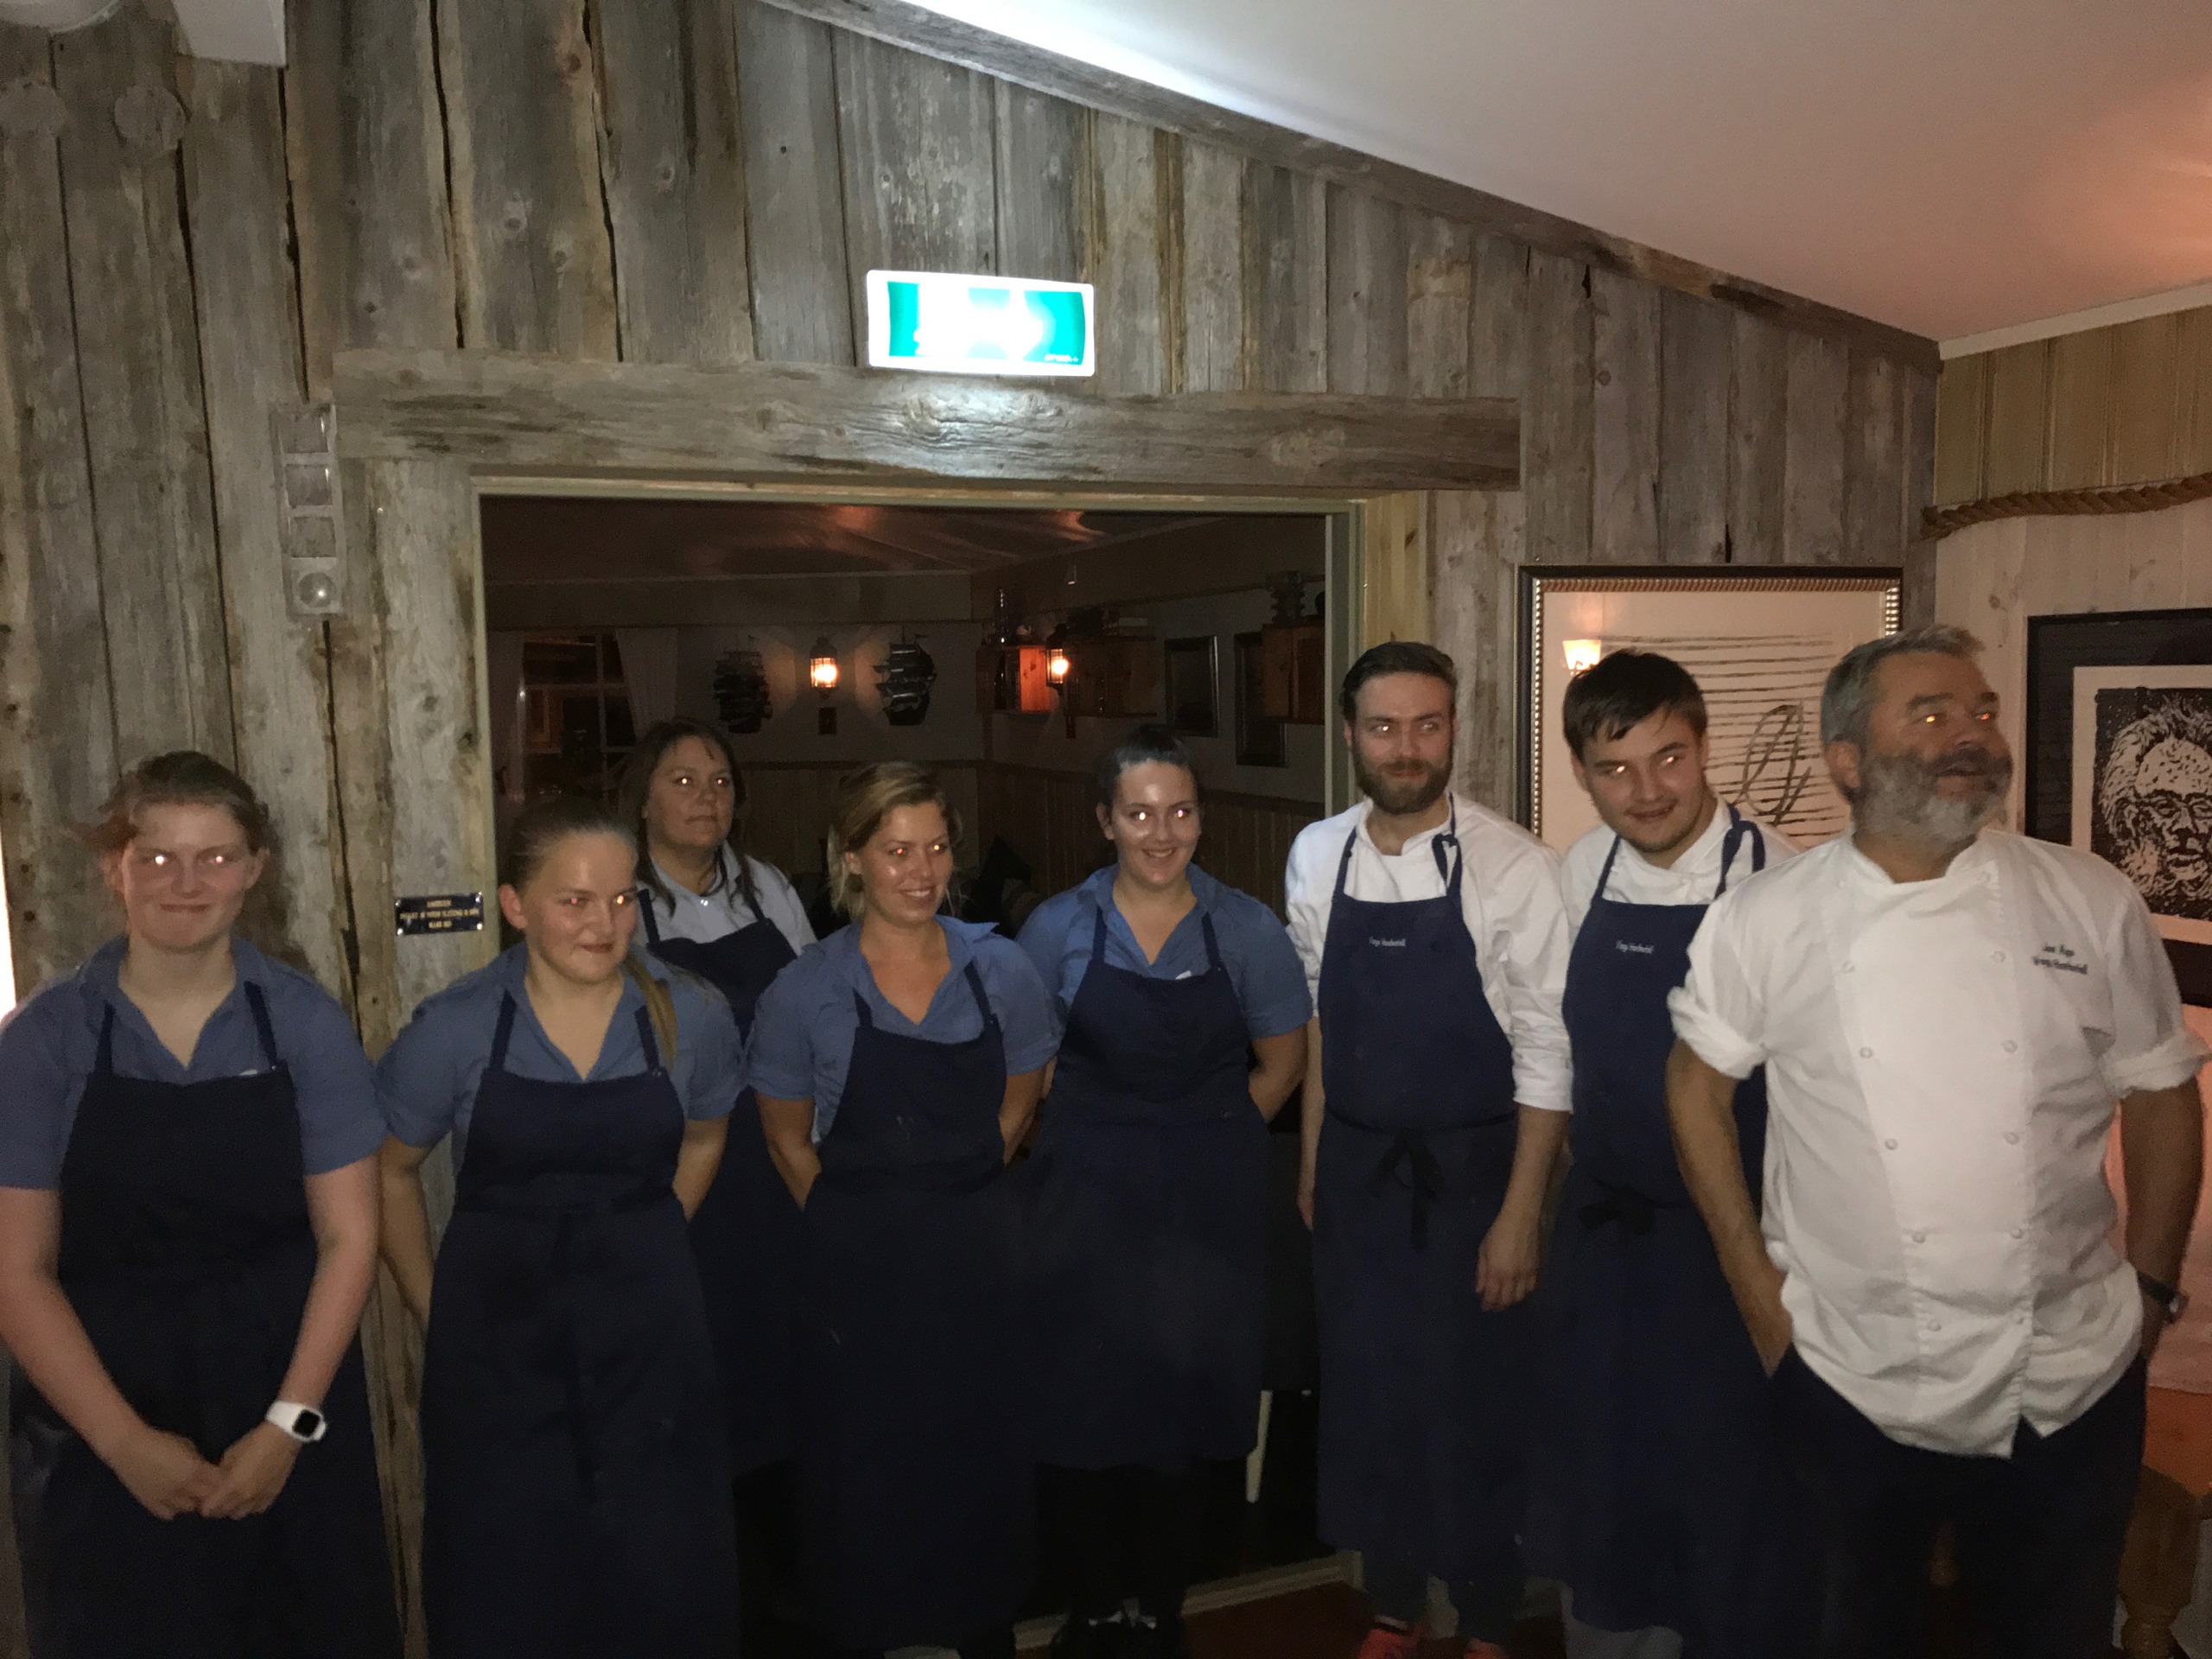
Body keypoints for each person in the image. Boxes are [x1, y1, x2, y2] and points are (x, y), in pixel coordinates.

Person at [1668, 624, 2209, 1659]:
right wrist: (1756, 1291)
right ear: (1845, 762)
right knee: (1851, 1634)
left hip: (2068, 1373)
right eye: (1928, 713)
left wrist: (2148, 1293)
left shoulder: (2087, 898)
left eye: (1980, 711)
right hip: (1849, 1371)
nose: (1970, 733)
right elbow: (1694, 1086)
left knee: (2049, 1637)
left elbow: (2161, 1092)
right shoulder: (1766, 916)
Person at [0, 751, 398, 1657]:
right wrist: (122, 1444)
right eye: (157, 857)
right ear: (115, 869)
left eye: (215, 857)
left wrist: (287, 1428)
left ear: (254, 868)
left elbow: (349, 1239)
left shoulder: (302, 1024)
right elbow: (16, 1272)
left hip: (282, 1393)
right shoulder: (43, 1043)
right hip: (102, 1407)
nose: (186, 883)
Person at [376, 795, 743, 1659]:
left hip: (650, 1335)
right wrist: (438, 1310)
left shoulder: (691, 1012)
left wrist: (651, 1233)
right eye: (574, 901)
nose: (603, 924)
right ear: (515, 905)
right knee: (508, 1573)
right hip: (498, 1341)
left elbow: (706, 1134)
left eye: (621, 899)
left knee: (660, 1564)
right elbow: (388, 1170)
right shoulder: (457, 1025)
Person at [1284, 642, 1573, 1659]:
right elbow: (1321, 1024)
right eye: (1383, 727)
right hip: (1357, 1176)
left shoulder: (1513, 866)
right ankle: (1393, 1602)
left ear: (1454, 729)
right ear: (1350, 734)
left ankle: (1486, 1616)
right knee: (1372, 1397)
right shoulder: (1317, 855)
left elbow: (1548, 1050)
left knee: (1478, 1403)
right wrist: (1312, 1166)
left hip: (1477, 1180)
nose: (1405, 748)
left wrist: (1521, 1214)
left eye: (1427, 725)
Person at [1524, 651, 1811, 1659]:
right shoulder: (1579, 871)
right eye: (1614, 769)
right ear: (1582, 773)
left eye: (1668, 758)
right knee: (1604, 1479)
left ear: (1703, 747)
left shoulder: (1780, 880)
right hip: (1605, 1237)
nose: (1645, 791)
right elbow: (1557, 1044)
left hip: (1733, 1245)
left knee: (1729, 1492)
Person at [749, 762, 1058, 1659]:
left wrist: (954, 1193)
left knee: (978, 1452)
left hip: (979, 1249)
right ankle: (868, 1629)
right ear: (850, 858)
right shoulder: (805, 988)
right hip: (855, 1267)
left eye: (936, 848)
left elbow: (1022, 1098)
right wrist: (854, 1226)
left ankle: (980, 1626)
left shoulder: (1002, 968)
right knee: (864, 1466)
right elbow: (785, 1139)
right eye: (896, 851)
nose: (922, 872)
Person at [1017, 728, 1312, 1658]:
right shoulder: (1056, 929)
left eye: (1179, 811)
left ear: (1201, 818)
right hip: (1083, 1196)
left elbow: (1284, 1062)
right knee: (1083, 1401)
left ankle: (1160, 1604)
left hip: (1205, 1204)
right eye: (1139, 813)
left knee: (1183, 1408)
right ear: (1105, 822)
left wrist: (1210, 1136)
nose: (1161, 832)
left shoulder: (1246, 929)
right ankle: (1093, 1604)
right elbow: (1030, 1067)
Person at [620, 717, 816, 1656]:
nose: (706, 796)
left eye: (721, 781)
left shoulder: (765, 887)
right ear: (643, 797)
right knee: (697, 1366)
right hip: (679, 1166)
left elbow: (814, 1001)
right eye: (684, 779)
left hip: (773, 1156)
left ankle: (790, 1581)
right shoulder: (620, 901)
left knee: (781, 1356)